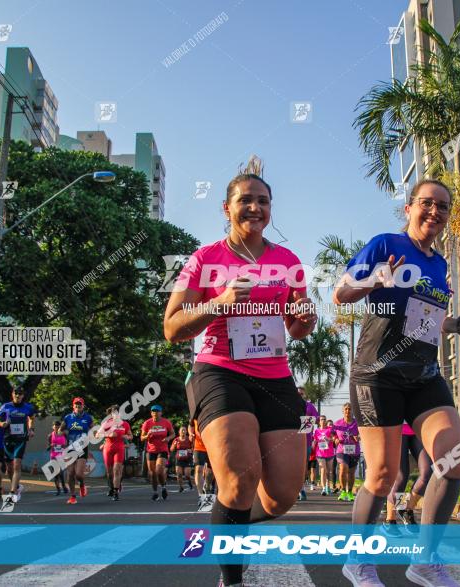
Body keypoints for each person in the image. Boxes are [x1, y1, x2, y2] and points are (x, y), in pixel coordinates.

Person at [164, 168, 317, 587]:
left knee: (283, 495)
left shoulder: (288, 262)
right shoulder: (204, 259)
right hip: (219, 371)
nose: (255, 207)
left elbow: (298, 326)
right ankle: (231, 578)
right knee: (239, 479)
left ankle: (229, 528)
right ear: (227, 208)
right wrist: (221, 303)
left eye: (263, 201)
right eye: (246, 200)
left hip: (276, 376)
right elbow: (172, 327)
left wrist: (305, 319)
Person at [333, 179, 460, 587]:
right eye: (427, 204)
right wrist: (375, 281)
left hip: (423, 374)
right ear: (409, 208)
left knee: (454, 459)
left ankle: (426, 561)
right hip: (377, 374)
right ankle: (358, 560)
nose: (434, 212)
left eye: (443, 207)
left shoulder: (439, 264)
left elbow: (422, 318)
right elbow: (342, 294)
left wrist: (452, 324)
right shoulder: (384, 245)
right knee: (380, 475)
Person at [383, 423, 433, 536]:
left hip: (418, 428)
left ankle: (406, 509)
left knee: (427, 472)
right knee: (401, 476)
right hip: (396, 427)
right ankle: (390, 520)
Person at [0, 386, 37, 505]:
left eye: (20, 394)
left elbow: (31, 418)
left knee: (17, 465)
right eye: (16, 394)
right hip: (8, 439)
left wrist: (31, 429)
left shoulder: (28, 407)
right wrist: (2, 424)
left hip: (20, 439)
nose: (18, 396)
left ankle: (12, 493)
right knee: (9, 469)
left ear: (23, 395)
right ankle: (17, 486)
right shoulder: (6, 407)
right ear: (13, 394)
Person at [61, 396, 94, 505]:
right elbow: (61, 430)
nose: (78, 406)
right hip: (70, 448)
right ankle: (72, 496)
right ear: (73, 406)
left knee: (79, 474)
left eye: (80, 404)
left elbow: (93, 431)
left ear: (83, 406)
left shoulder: (88, 418)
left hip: (82, 448)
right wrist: (64, 433)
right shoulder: (67, 417)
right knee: (70, 473)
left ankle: (82, 485)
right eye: (76, 404)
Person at [96, 404, 133, 501]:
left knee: (117, 470)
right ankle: (111, 488)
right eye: (114, 413)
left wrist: (127, 437)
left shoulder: (125, 424)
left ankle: (116, 492)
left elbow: (130, 436)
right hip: (108, 448)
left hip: (119, 448)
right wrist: (108, 434)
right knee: (109, 472)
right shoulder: (107, 423)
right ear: (111, 414)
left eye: (118, 412)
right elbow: (97, 435)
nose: (116, 414)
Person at [141, 404, 174, 500]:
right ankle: (155, 492)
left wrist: (168, 438)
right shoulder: (147, 423)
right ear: (151, 413)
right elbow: (142, 438)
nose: (155, 413)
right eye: (153, 411)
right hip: (151, 450)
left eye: (157, 411)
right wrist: (147, 436)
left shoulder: (166, 422)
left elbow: (173, 434)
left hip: (162, 449)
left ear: (161, 413)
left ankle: (163, 487)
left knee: (159, 470)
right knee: (152, 473)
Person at [333, 403, 361, 502]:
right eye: (346, 409)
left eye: (349, 409)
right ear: (343, 411)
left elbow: (363, 434)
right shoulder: (337, 423)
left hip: (354, 450)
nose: (348, 411)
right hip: (341, 450)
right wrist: (335, 439)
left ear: (352, 411)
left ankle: (349, 492)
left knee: (351, 473)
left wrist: (358, 437)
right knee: (343, 468)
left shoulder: (357, 423)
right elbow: (333, 434)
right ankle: (343, 490)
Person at [298, 386, 318, 501]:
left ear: (304, 395)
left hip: (306, 441)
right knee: (292, 466)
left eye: (301, 394)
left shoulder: (309, 406)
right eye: (298, 394)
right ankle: (294, 490)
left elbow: (317, 417)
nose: (299, 396)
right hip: (291, 442)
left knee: (303, 466)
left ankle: (301, 489)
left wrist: (308, 419)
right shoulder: (291, 405)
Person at [190, 418, 214, 495]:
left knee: (210, 471)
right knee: (198, 469)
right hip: (199, 446)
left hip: (211, 446)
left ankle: (207, 487)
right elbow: (190, 425)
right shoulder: (196, 414)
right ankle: (201, 495)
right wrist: (191, 433)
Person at [313, 415, 336, 496]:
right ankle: (323, 488)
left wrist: (328, 439)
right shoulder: (316, 431)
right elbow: (315, 440)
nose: (323, 421)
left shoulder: (329, 430)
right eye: (321, 419)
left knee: (329, 471)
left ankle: (328, 486)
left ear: (326, 421)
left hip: (329, 453)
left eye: (324, 419)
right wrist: (311, 448)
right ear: (319, 422)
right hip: (320, 453)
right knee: (323, 469)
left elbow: (333, 439)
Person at [47, 420, 70, 495]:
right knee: (55, 473)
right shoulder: (50, 435)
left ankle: (64, 487)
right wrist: (51, 445)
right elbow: (48, 447)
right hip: (53, 455)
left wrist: (65, 446)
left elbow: (68, 444)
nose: (56, 427)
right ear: (52, 427)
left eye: (58, 426)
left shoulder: (64, 434)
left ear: (60, 427)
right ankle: (58, 490)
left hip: (62, 456)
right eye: (55, 426)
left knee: (60, 472)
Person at [170, 426, 195, 493]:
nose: (183, 432)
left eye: (184, 430)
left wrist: (190, 450)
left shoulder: (189, 439)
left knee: (187, 475)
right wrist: (174, 445)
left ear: (186, 432)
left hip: (187, 459)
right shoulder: (176, 440)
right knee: (179, 474)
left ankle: (190, 483)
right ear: (179, 432)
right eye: (182, 430)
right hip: (179, 459)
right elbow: (171, 449)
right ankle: (181, 487)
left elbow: (194, 448)